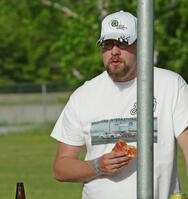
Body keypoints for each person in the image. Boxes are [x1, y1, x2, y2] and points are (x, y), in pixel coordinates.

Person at [51, 10, 188, 199]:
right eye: (107, 44)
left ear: (141, 44)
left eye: (123, 43)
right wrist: (98, 166)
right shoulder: (83, 95)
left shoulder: (170, 85)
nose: (114, 51)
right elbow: (61, 167)